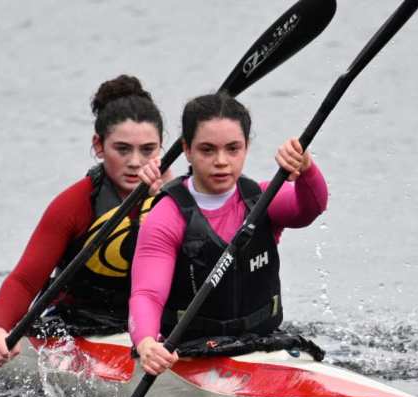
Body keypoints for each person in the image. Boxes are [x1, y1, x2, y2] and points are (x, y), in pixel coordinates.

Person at [130, 92, 328, 376]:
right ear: (187, 149)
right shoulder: (167, 216)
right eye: (207, 150)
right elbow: (147, 294)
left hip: (262, 342)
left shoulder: (262, 199)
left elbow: (311, 208)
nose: (221, 161)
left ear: (246, 147)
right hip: (190, 350)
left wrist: (307, 168)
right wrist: (147, 343)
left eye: (233, 149)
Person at [0, 75, 169, 370]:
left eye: (148, 150)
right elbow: (24, 281)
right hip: (79, 325)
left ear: (161, 148)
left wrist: (172, 198)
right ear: (99, 146)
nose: (135, 162)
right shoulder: (74, 204)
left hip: (153, 327)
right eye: (122, 149)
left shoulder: (177, 197)